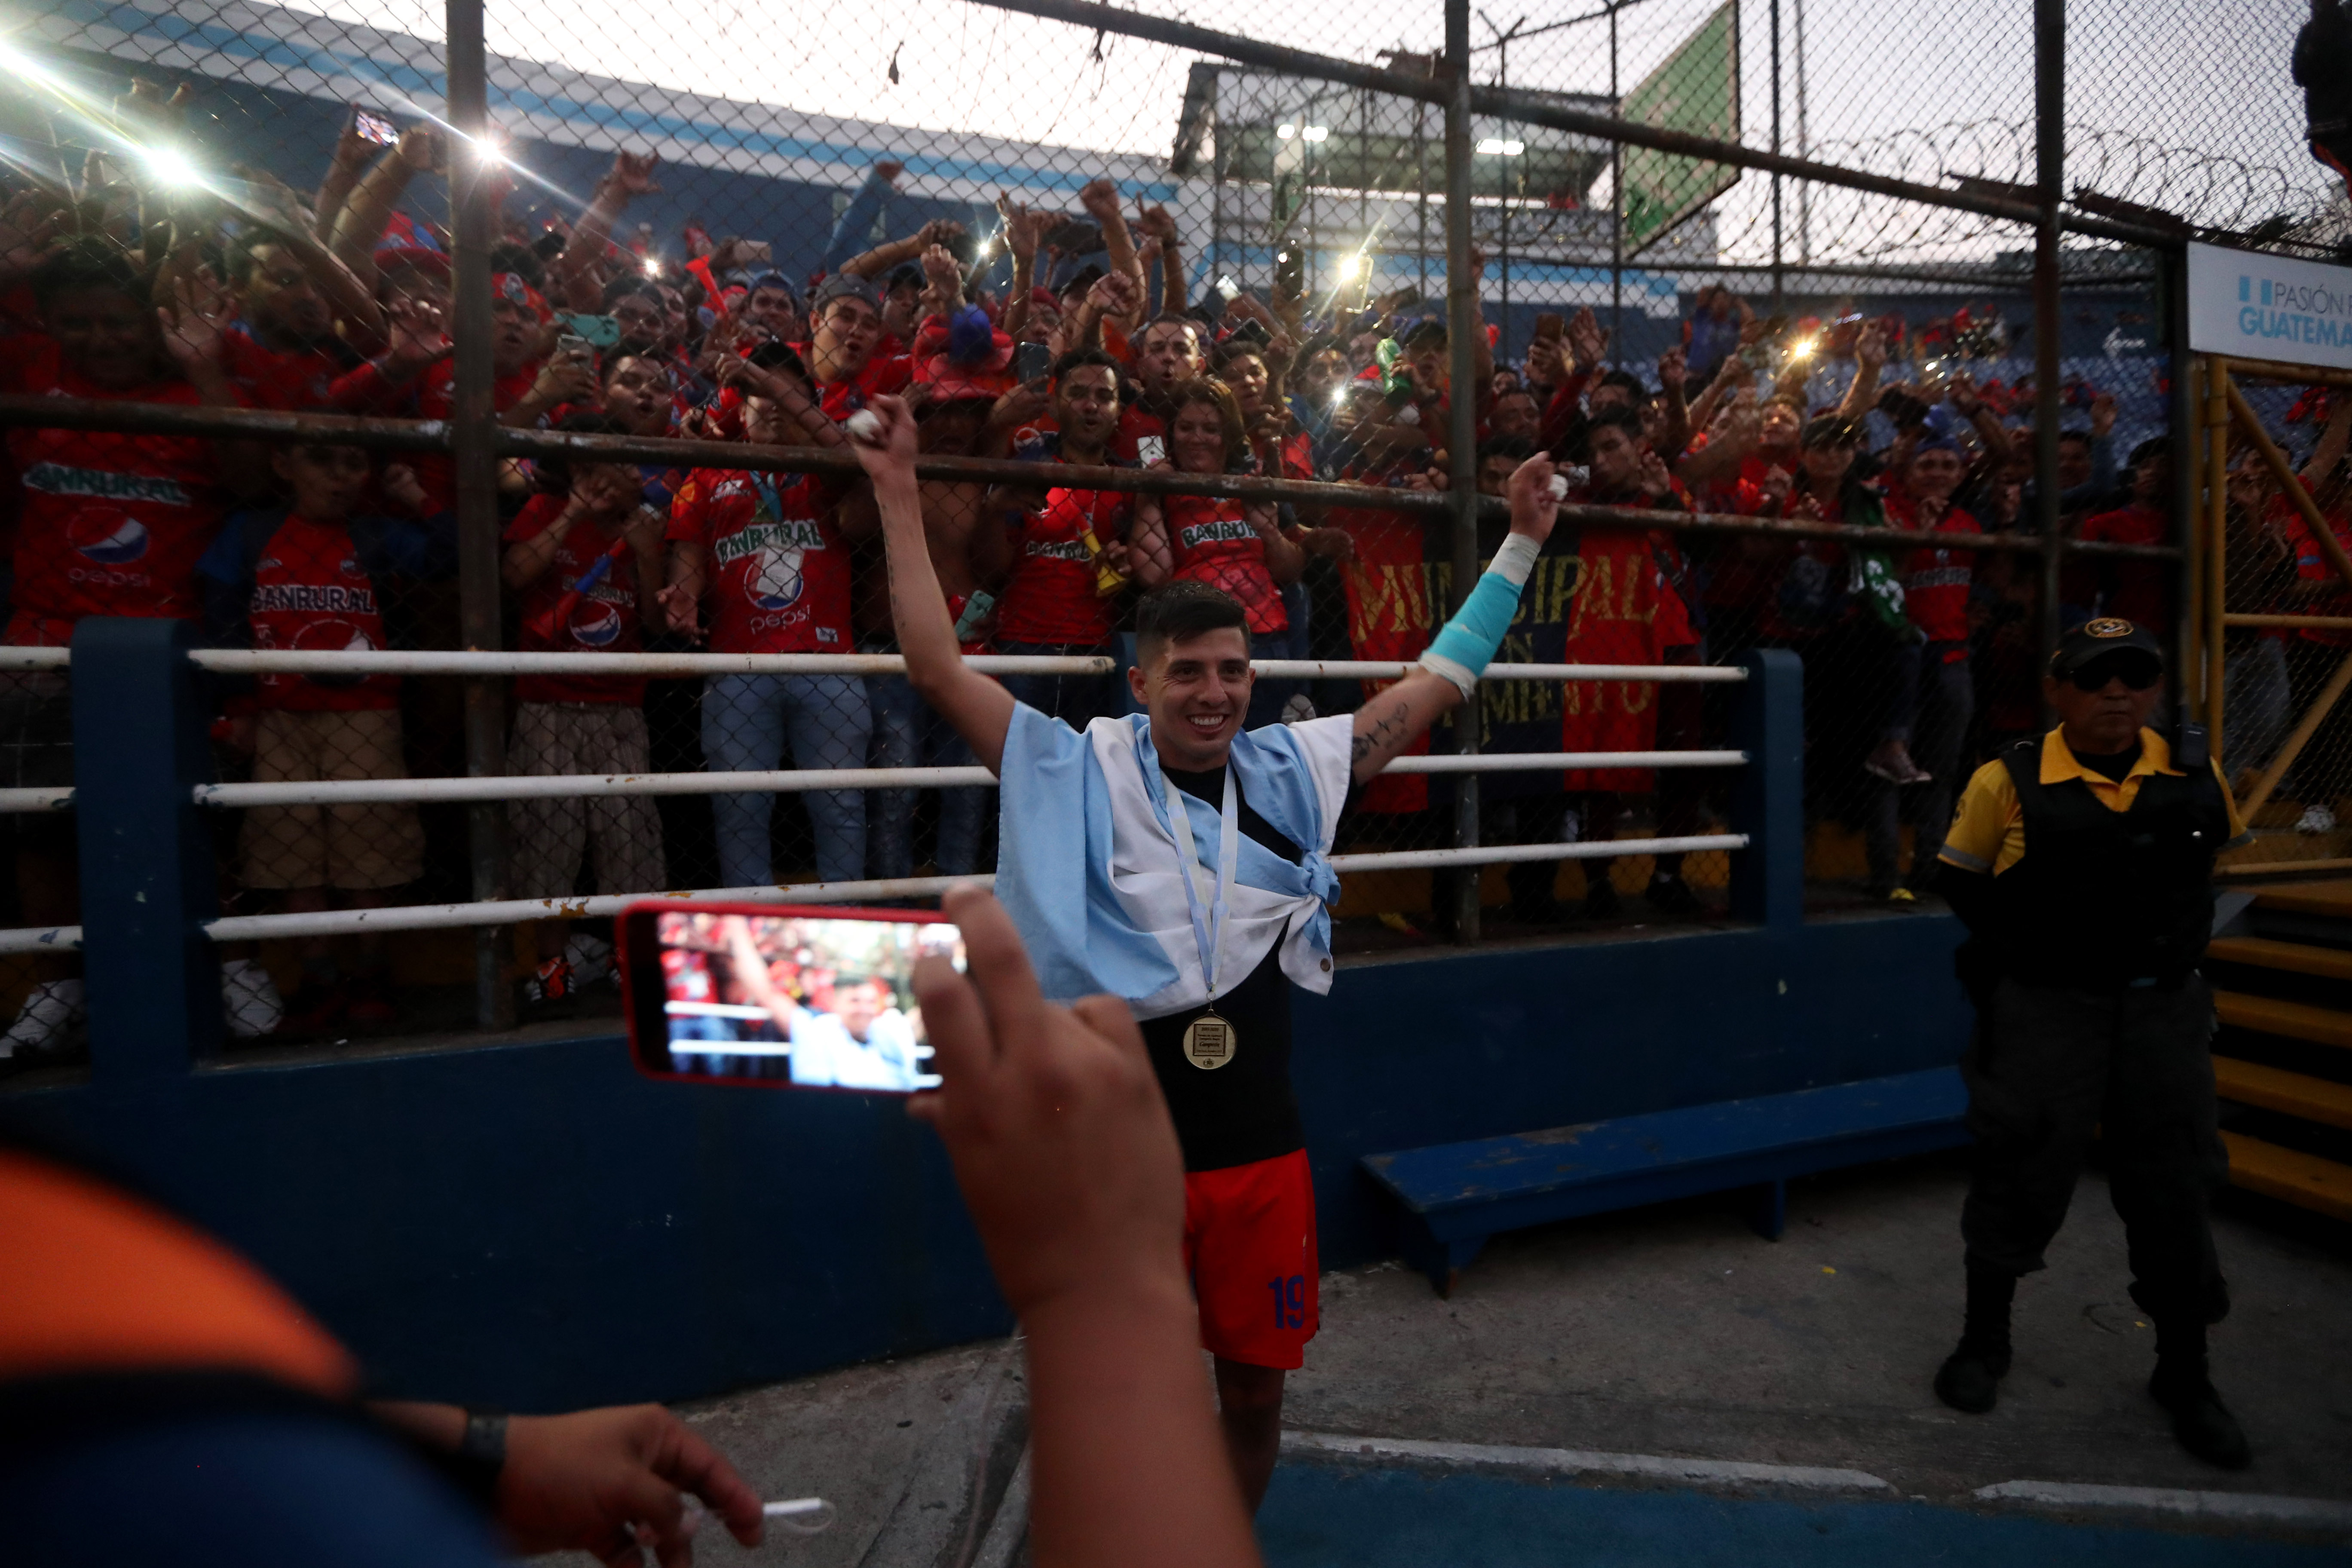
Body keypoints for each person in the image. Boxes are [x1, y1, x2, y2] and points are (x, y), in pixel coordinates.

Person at [852, 392, 1565, 1510]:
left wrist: (1521, 542)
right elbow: (937, 669)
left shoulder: (1290, 772)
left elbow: (1437, 681)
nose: (1214, 692)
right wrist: (897, 493)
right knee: (1111, 1401)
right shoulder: (1073, 767)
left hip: (1258, 1161)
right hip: (1115, 1163)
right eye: (1187, 672)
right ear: (1141, 683)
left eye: (1232, 671)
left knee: (1254, 1404)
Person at [1931, 619, 2254, 1470]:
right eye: (2097, 676)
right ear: (2058, 689)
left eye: (2136, 675)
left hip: (2161, 1016)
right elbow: (1960, 881)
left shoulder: (2195, 772)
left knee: (2177, 1186)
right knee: (2019, 1169)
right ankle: (1984, 1344)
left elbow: (2209, 868)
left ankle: (2186, 1376)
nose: (2118, 692)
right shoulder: (2009, 779)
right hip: (2048, 1014)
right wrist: (2030, 962)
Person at [201, 441, 452, 1035]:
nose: (340, 478)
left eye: (353, 464)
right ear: (283, 464)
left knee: (368, 847)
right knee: (290, 848)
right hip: (279, 713)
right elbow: (221, 613)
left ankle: (368, 972)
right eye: (322, 461)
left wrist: (415, 496)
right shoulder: (253, 531)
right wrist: (236, 705)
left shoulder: (374, 534)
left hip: (364, 711)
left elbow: (450, 555)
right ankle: (319, 974)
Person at [501, 416, 671, 1005]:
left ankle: (629, 963)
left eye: (635, 464)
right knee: (549, 843)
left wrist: (649, 557)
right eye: (621, 463)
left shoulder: (640, 529)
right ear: (584, 467)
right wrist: (573, 511)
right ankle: (553, 974)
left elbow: (654, 623)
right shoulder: (545, 511)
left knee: (630, 842)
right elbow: (515, 574)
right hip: (548, 703)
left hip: (620, 706)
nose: (634, 475)